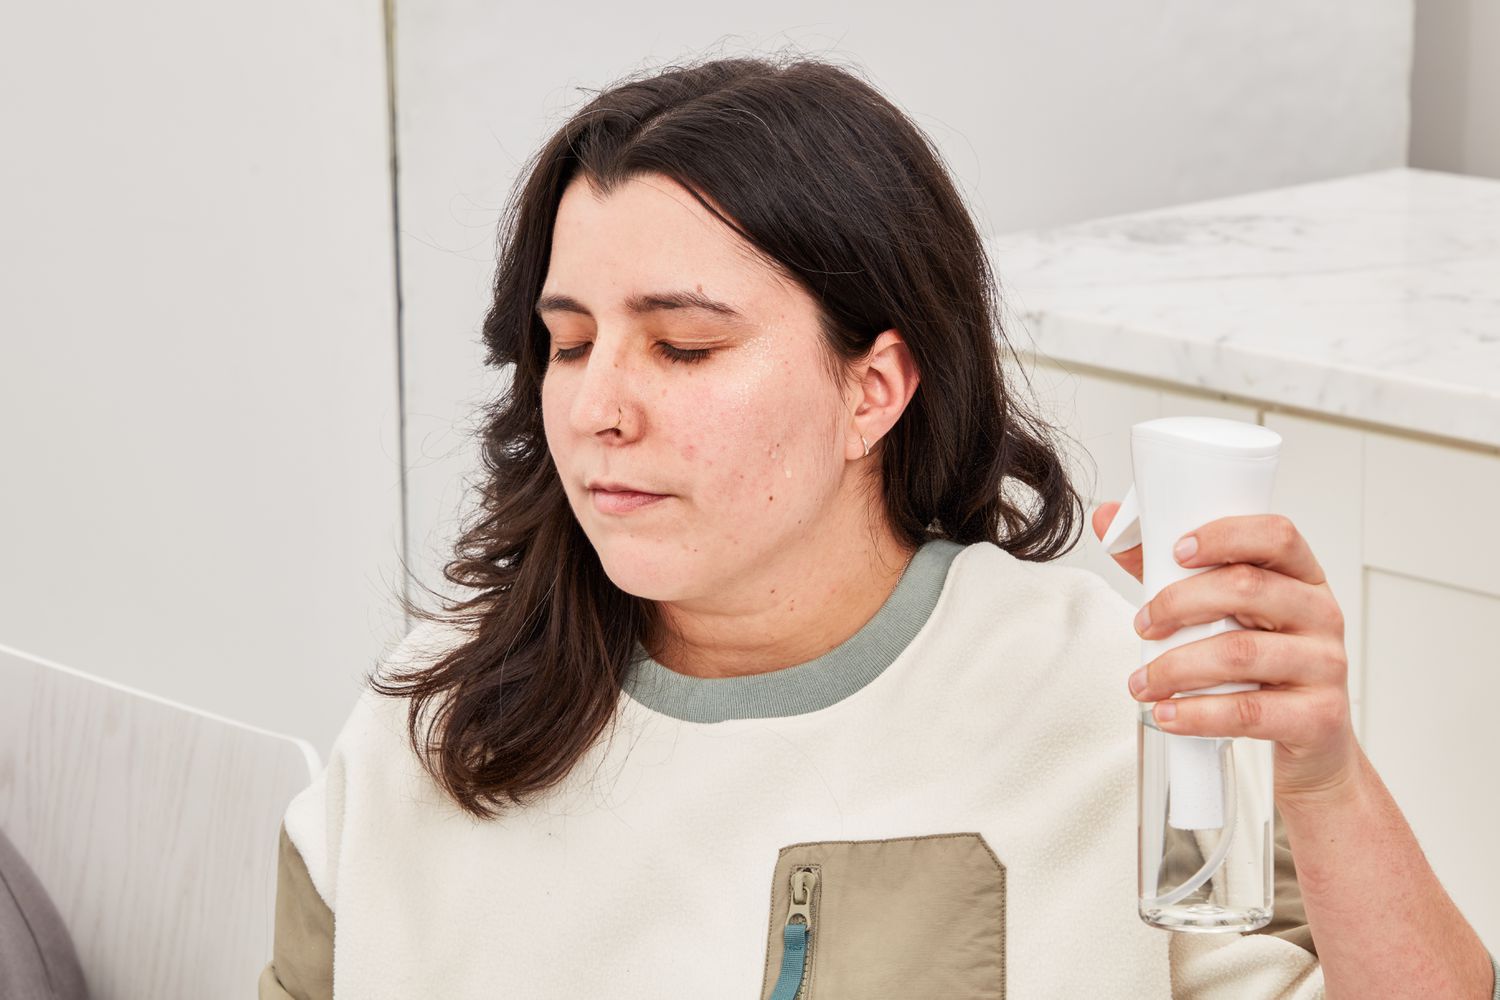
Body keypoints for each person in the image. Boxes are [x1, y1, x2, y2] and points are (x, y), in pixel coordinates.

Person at [258, 52, 1500, 999]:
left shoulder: (1113, 700)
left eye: (684, 345)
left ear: (875, 387)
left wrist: (1325, 779)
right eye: (569, 342)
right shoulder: (424, 731)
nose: (598, 407)